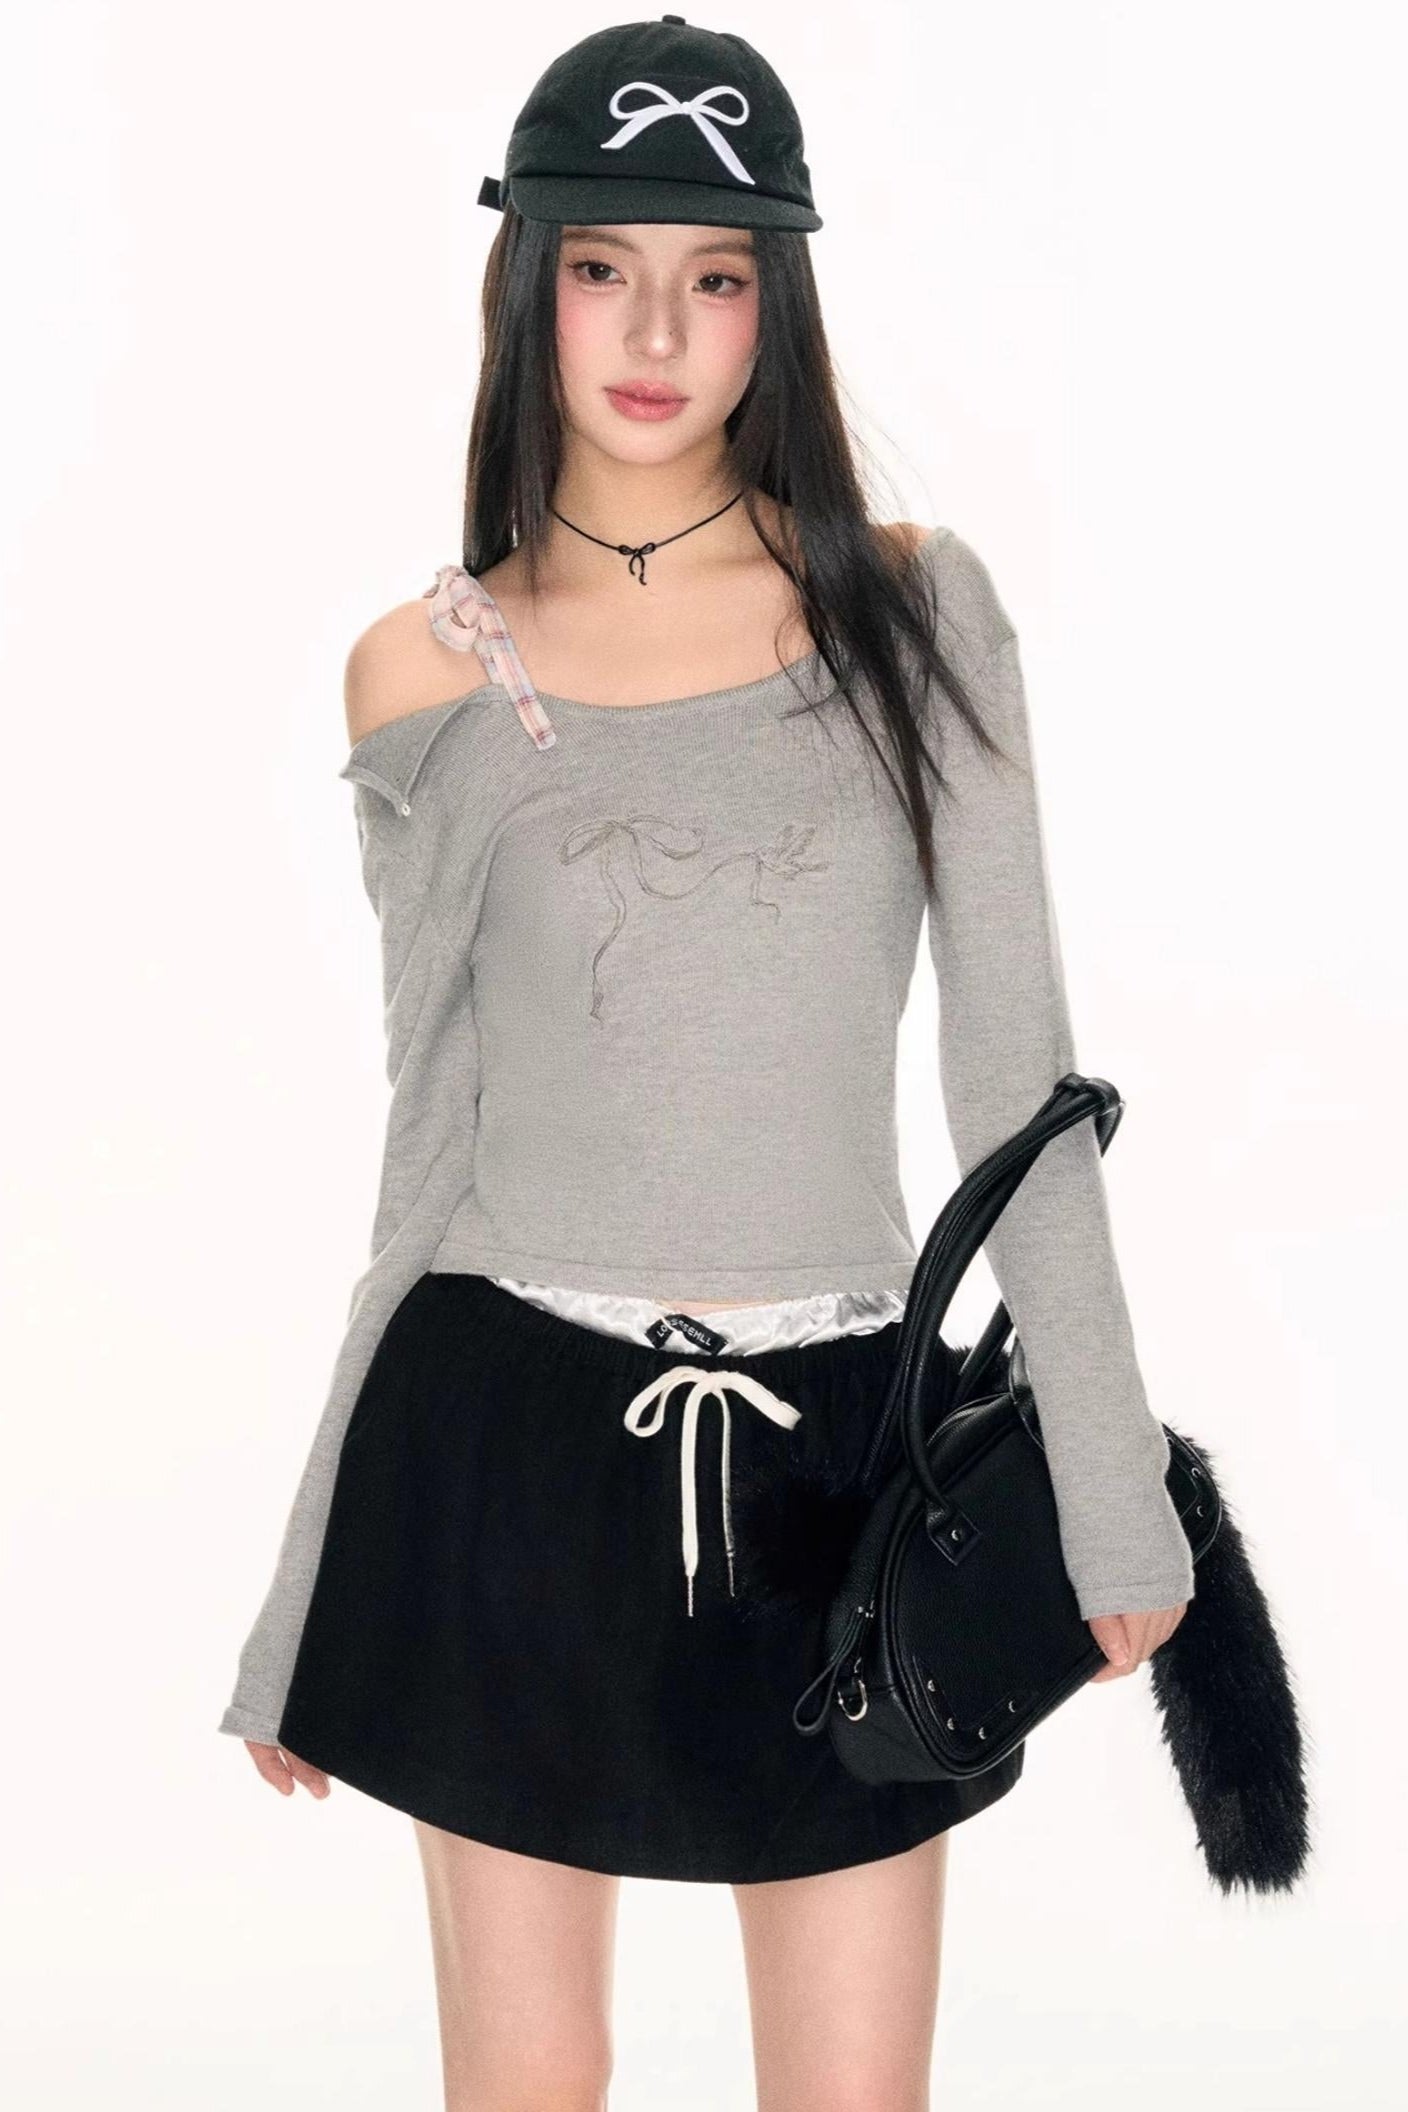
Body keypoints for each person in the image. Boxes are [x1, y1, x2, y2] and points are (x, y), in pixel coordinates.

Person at [216, 16, 1192, 2107]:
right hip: (499, 1449)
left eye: (715, 274)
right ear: (528, 282)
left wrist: (1110, 1484)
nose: (655, 330)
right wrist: (307, 1594)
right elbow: (427, 1146)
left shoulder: (916, 614)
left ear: (777, 300)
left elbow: (1017, 1075)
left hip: (845, 1461)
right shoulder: (421, 668)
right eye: (602, 266)